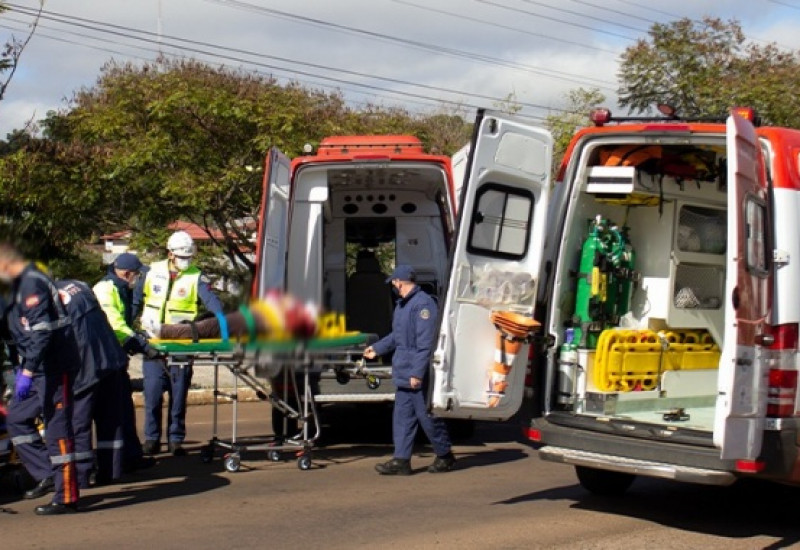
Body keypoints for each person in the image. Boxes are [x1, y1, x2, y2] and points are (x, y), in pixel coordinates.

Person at [0, 242, 81, 515]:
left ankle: (67, 496)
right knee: (17, 419)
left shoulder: (30, 285)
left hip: (55, 368)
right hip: (38, 370)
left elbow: (41, 333)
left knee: (57, 431)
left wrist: (26, 370)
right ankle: (46, 474)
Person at [363, 264, 455, 475]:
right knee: (402, 418)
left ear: (399, 282)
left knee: (427, 417)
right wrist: (376, 349)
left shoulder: (423, 306)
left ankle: (445, 455)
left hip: (415, 372)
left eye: (394, 282)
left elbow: (424, 345)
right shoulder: (402, 305)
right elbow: (396, 336)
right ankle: (401, 460)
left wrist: (417, 373)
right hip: (403, 370)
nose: (393, 286)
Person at [138, 231, 222, 456]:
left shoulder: (196, 276)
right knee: (153, 393)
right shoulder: (150, 272)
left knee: (179, 394)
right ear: (170, 254)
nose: (186, 261)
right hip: (153, 343)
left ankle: (176, 439)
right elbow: (136, 301)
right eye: (181, 257)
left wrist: (222, 321)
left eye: (189, 257)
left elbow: (213, 303)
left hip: (182, 343)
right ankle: (152, 439)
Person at [93, 252, 157, 473]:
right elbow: (115, 325)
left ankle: (131, 457)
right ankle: (117, 463)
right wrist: (140, 345)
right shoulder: (105, 289)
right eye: (137, 275)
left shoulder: (119, 288)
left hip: (115, 359)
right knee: (114, 412)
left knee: (124, 409)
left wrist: (137, 338)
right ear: (128, 273)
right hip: (105, 362)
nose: (138, 279)